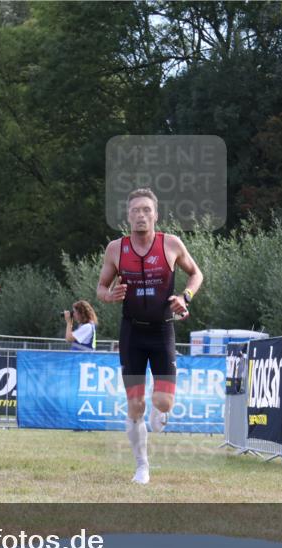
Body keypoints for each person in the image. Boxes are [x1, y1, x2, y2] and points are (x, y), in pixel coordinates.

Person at [97, 187, 203, 484]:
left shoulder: (170, 244)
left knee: (163, 404)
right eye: (135, 211)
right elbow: (101, 288)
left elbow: (196, 274)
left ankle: (161, 410)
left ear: (155, 214)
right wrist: (109, 296)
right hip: (132, 333)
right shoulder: (116, 249)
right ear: (127, 216)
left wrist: (186, 297)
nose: (141, 215)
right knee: (135, 405)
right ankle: (142, 466)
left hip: (162, 331)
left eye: (146, 210)